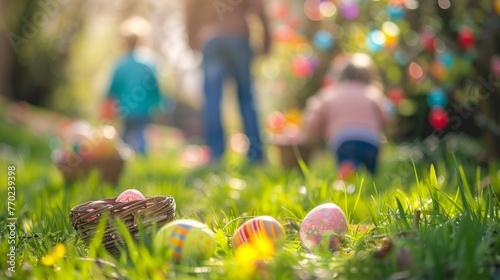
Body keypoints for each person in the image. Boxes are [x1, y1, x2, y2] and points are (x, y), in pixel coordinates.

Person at [184, 0, 271, 163]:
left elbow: (190, 8)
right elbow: (259, 7)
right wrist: (266, 43)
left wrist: (191, 40)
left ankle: (216, 154)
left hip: (211, 39)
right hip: (238, 36)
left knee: (212, 99)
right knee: (246, 98)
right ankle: (256, 155)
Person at [300, 53, 391, 176]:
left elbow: (313, 117)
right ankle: (368, 183)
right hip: (371, 141)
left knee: (348, 169)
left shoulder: (331, 93)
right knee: (370, 176)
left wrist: (308, 137)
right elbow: (386, 117)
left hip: (344, 140)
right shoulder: (372, 93)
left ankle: (348, 172)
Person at [103, 17, 163, 155]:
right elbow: (155, 87)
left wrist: (107, 104)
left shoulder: (120, 63)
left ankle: (124, 158)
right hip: (144, 109)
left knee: (125, 135)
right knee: (140, 134)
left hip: (124, 108)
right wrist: (158, 104)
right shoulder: (150, 62)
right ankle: (140, 157)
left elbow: (112, 88)